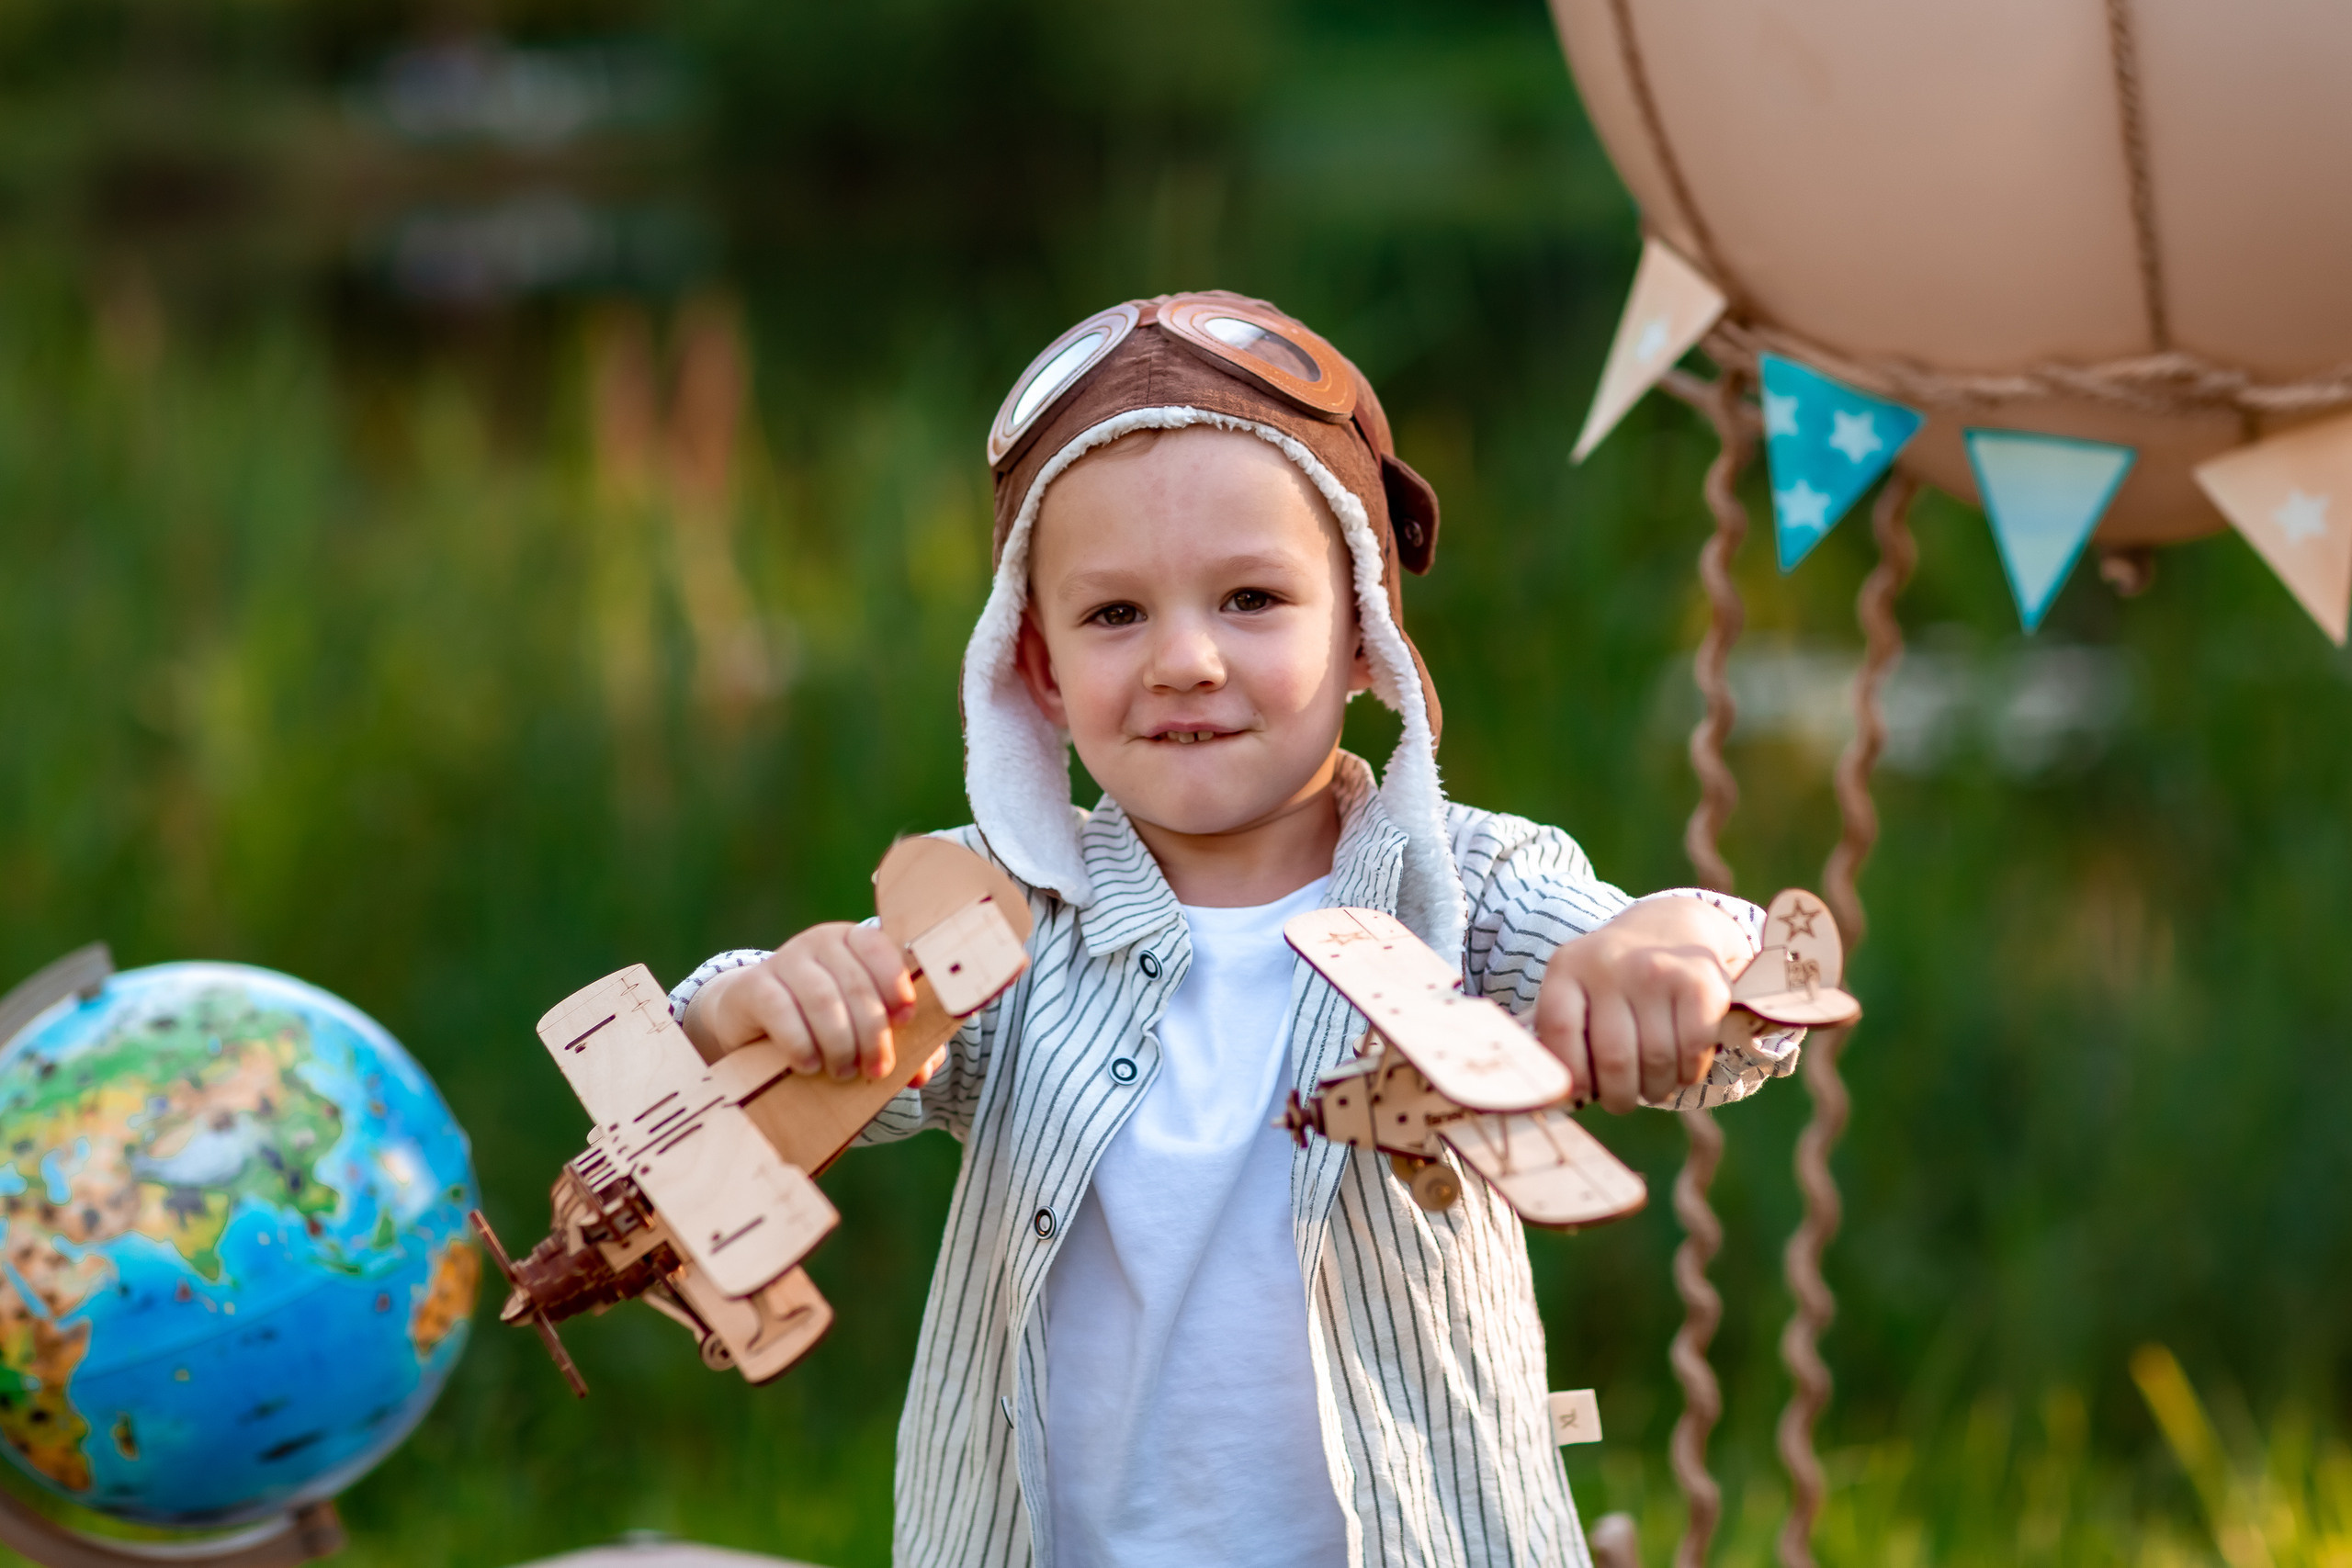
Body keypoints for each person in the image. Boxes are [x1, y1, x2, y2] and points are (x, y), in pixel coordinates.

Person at [670, 294, 1801, 1568]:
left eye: (1253, 598)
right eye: (1115, 617)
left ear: (1363, 633)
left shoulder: (1463, 889)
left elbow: (1728, 984)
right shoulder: (1001, 909)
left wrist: (1668, 957)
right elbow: (767, 1084)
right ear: (1039, 671)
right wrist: (759, 999)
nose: (1188, 660)